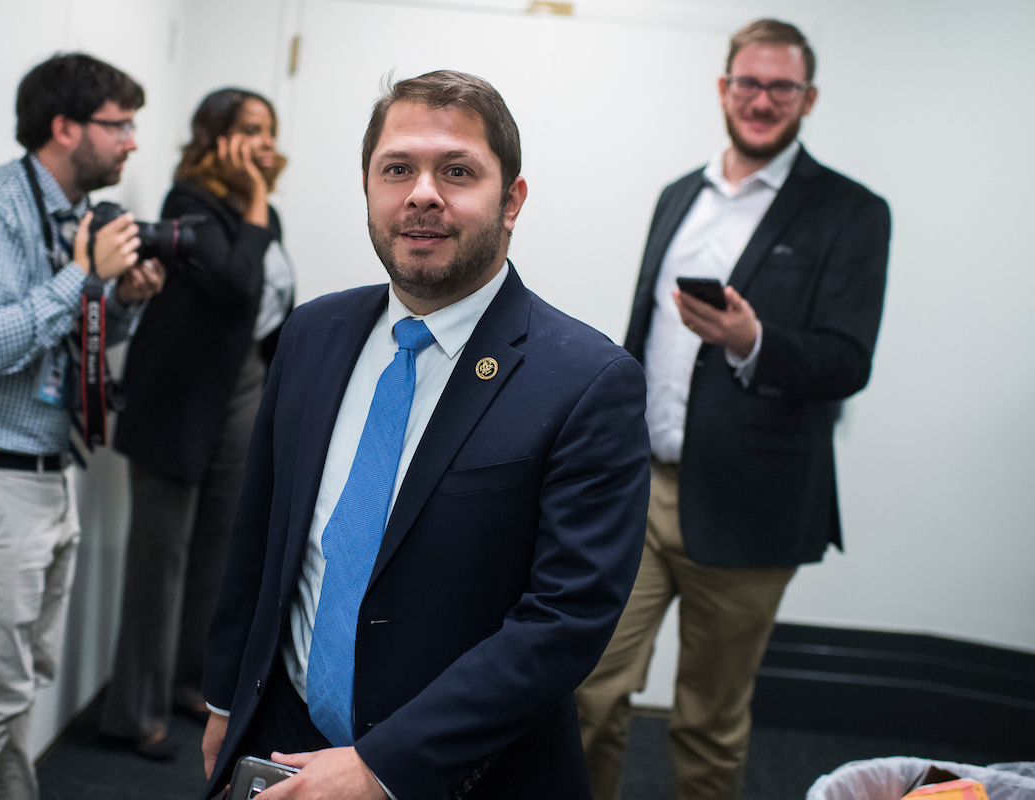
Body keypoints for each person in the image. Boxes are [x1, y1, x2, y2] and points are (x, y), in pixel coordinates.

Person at [198, 70, 651, 800]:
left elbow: (563, 622)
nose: (422, 195)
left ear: (512, 202)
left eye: (458, 172)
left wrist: (385, 764)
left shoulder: (588, 381)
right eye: (397, 169)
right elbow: (259, 538)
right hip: (280, 737)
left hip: (460, 772)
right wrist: (226, 700)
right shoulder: (312, 333)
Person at [574, 19, 891, 800]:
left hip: (753, 507)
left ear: (808, 98)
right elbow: (640, 337)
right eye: (748, 82)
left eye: (783, 86)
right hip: (638, 491)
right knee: (586, 696)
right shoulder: (678, 195)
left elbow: (848, 361)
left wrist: (754, 341)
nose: (762, 99)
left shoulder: (852, 212)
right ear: (723, 88)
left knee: (708, 723)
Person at [0, 52, 164, 800]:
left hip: (44, 478)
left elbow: (58, 339)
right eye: (120, 125)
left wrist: (124, 299)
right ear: (64, 127)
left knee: (18, 689)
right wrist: (85, 275)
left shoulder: (67, 214)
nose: (132, 142)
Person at [101, 88, 294, 760]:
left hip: (240, 392)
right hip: (178, 399)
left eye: (269, 130)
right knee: (162, 561)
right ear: (216, 138)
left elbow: (267, 308)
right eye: (249, 130)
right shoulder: (191, 202)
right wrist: (255, 198)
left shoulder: (253, 209)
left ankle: (189, 684)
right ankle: (134, 712)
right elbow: (236, 283)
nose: (264, 143)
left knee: (217, 555)